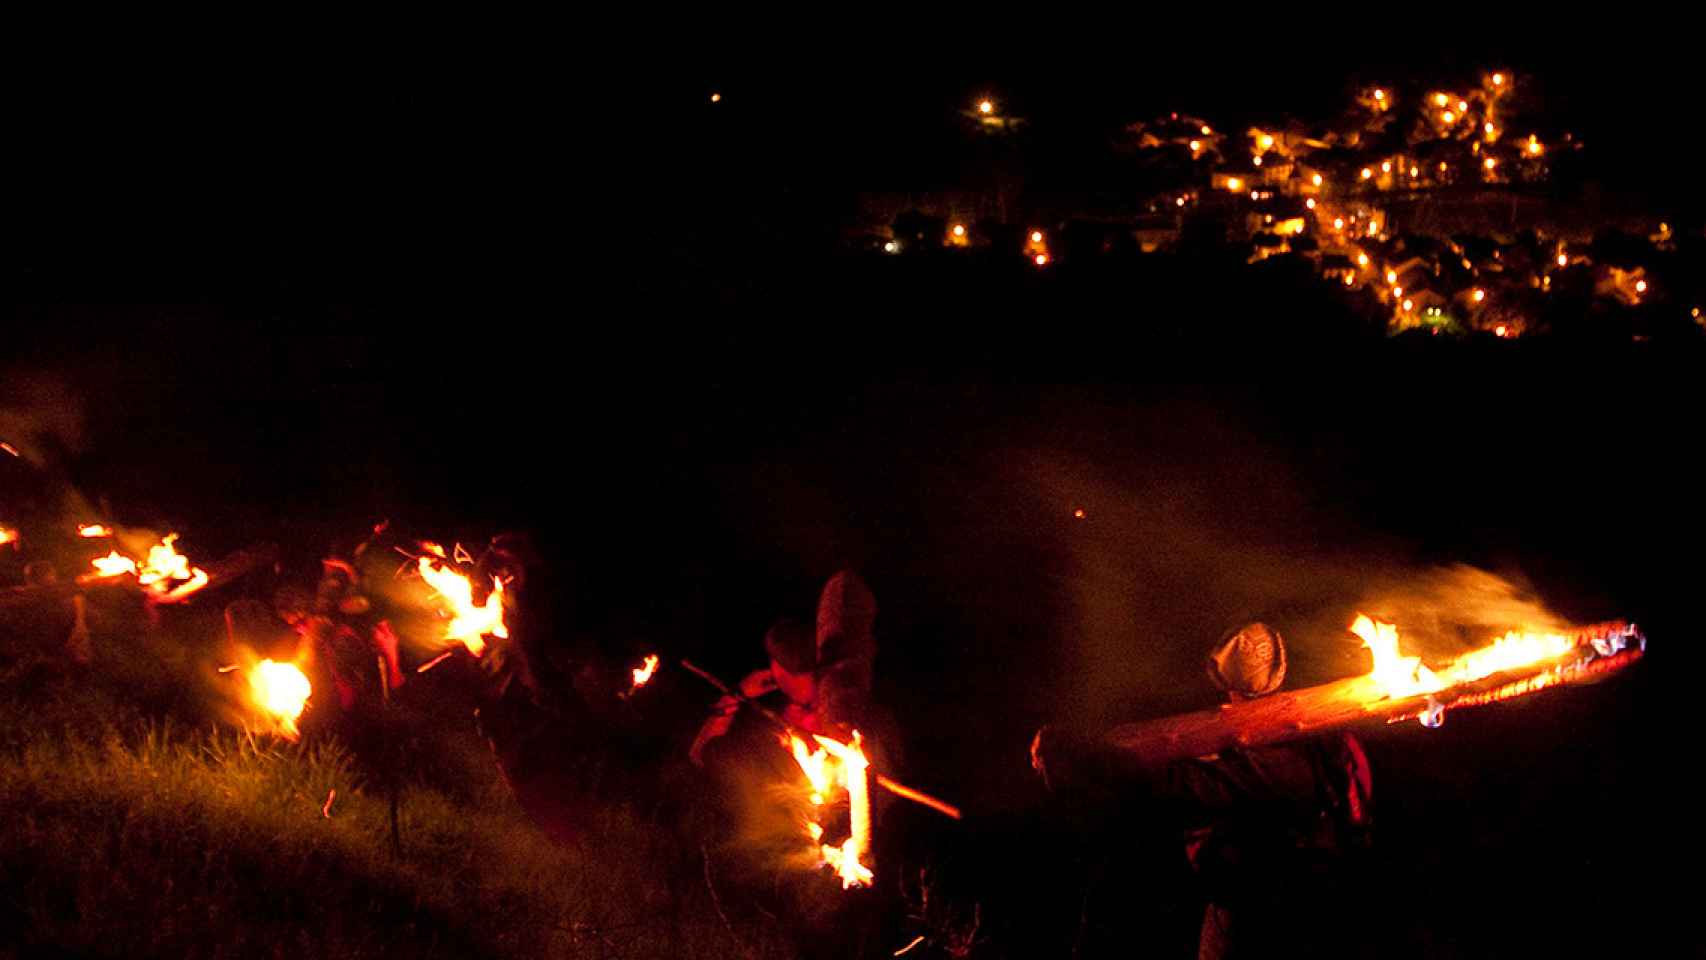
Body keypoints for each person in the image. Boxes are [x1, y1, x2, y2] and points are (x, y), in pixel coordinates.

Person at [1035, 623, 1373, 960]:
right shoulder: (1325, 732)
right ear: (1280, 671)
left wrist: (1079, 755)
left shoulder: (1267, 761)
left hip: (1261, 911)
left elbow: (1172, 783)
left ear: (1224, 680)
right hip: (1311, 899)